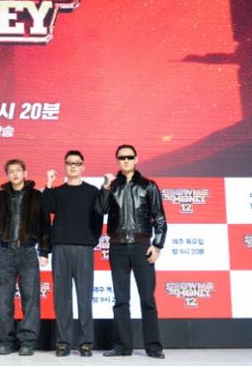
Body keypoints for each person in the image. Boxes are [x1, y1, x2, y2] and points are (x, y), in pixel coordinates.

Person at [97, 145, 167, 359]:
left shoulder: (149, 186)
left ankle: (153, 347)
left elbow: (160, 217)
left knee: (147, 299)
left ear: (136, 159)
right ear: (117, 160)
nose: (125, 160)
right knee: (120, 299)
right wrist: (105, 187)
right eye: (122, 157)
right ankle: (122, 346)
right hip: (117, 247)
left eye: (129, 157)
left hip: (141, 247)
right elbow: (100, 210)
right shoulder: (112, 186)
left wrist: (157, 245)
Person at [0, 159, 51, 356]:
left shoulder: (37, 196)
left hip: (28, 252)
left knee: (30, 299)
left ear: (25, 173)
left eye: (18, 170)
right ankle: (5, 341)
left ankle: (28, 341)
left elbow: (45, 225)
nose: (15, 174)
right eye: (11, 171)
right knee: (4, 300)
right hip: (5, 252)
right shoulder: (0, 196)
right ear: (7, 175)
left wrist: (44, 251)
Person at [43, 150, 103, 357]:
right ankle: (63, 342)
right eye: (69, 163)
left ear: (83, 167)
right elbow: (46, 208)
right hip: (60, 246)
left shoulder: (92, 191)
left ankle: (86, 342)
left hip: (84, 248)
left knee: (84, 297)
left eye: (77, 163)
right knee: (62, 298)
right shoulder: (57, 191)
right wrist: (49, 183)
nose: (73, 166)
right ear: (65, 166)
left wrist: (91, 240)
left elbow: (98, 219)